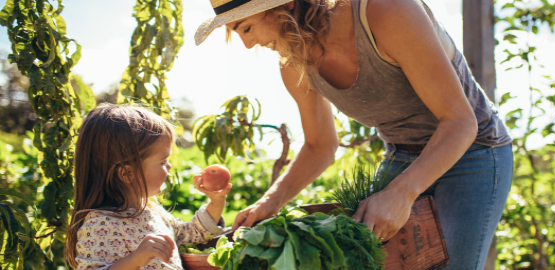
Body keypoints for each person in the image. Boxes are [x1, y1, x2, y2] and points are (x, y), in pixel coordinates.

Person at [195, 0, 513, 268]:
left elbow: (460, 122)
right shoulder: (293, 62)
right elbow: (321, 144)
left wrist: (401, 193)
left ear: (285, 5)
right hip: (402, 153)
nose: (248, 45)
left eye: (246, 29)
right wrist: (271, 200)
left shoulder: (385, 11)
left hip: (475, 150)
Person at [65, 104, 232, 270]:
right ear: (128, 173)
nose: (169, 167)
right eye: (162, 161)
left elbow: (193, 233)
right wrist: (135, 260)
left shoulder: (154, 214)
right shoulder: (101, 224)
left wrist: (217, 201)